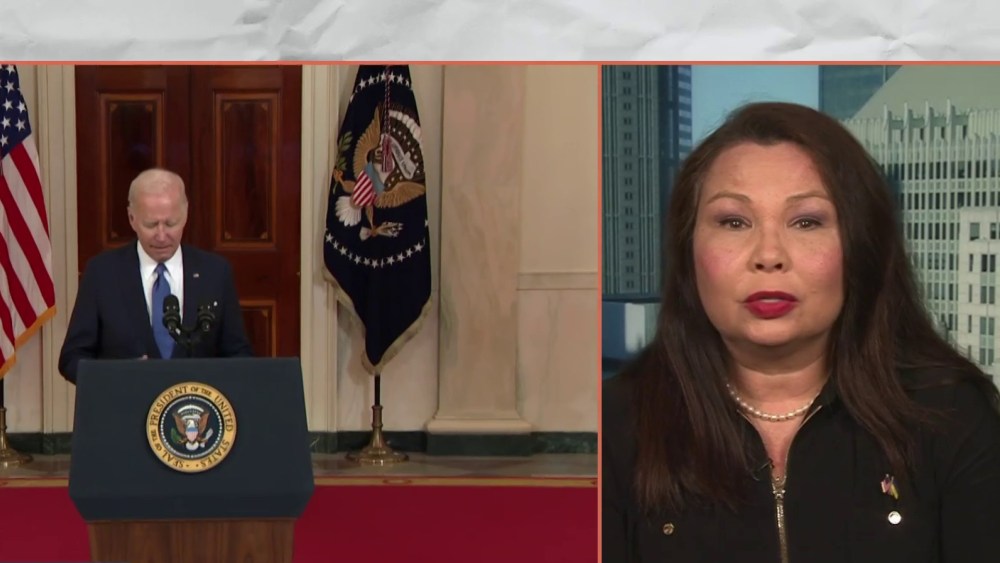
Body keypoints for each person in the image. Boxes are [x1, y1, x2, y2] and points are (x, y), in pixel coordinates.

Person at [602, 102, 1000, 562]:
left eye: (806, 221)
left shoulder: (950, 414)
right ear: (688, 252)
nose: (769, 255)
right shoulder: (620, 423)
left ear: (860, 248)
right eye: (734, 222)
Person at [58, 168, 253, 384]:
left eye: (171, 224)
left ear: (185, 215)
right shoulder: (102, 273)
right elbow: (72, 358)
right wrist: (119, 376)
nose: (161, 236)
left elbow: (239, 355)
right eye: (151, 225)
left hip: (195, 403)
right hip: (128, 401)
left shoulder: (215, 272)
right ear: (132, 218)